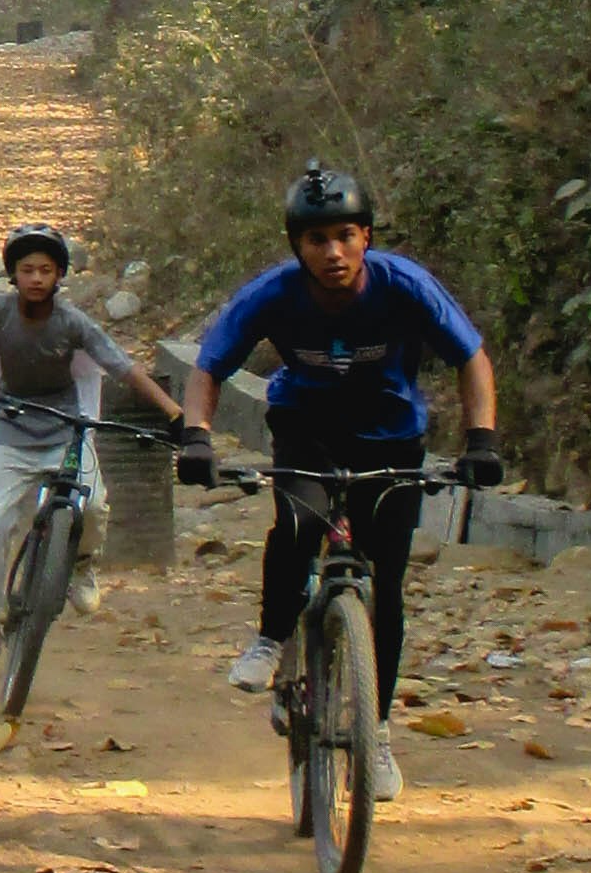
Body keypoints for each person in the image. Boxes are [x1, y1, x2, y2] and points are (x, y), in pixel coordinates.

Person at [181, 161, 501, 801]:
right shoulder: (271, 295)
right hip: (307, 427)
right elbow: (209, 367)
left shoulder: (406, 286)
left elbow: (471, 357)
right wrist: (196, 436)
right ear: (297, 247)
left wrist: (482, 441)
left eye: (346, 237)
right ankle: (272, 641)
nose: (333, 253)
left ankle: (375, 734)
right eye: (316, 240)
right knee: (299, 521)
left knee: (386, 587)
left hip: (392, 438)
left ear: (367, 237)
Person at [0, 222, 188, 654]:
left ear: (60, 275)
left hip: (67, 428)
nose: (36, 278)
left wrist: (173, 412)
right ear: (12, 274)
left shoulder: (73, 322)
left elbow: (122, 368)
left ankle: (81, 565)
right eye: (27, 270)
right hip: (13, 426)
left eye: (45, 270)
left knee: (93, 505)